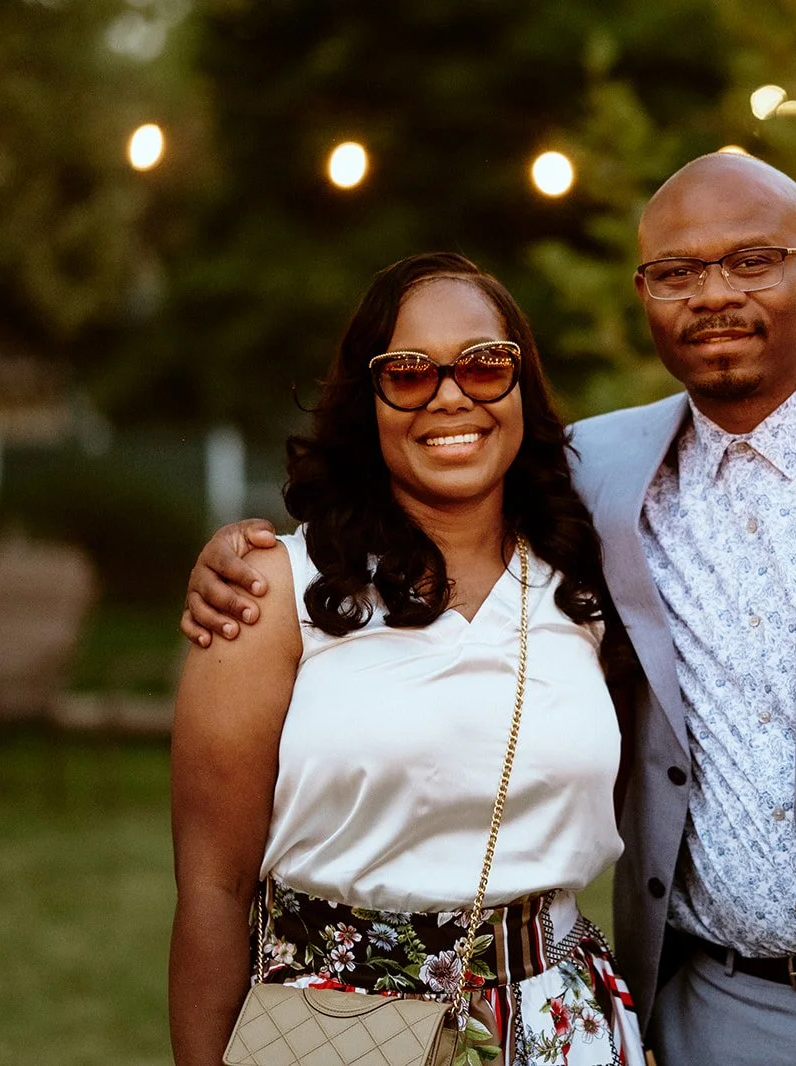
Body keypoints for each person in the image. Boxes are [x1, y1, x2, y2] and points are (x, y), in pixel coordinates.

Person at [183, 154, 796, 1066]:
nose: (715, 293)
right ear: (645, 294)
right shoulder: (602, 480)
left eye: (752, 261)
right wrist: (236, 557)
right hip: (708, 1010)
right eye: (678, 270)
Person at [168, 252, 646, 1066]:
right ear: (369, 400)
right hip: (331, 1030)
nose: (452, 394)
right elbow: (214, 889)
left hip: (561, 1028)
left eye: (485, 365)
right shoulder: (272, 592)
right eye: (410, 373)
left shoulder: (591, 590)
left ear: (523, 386)